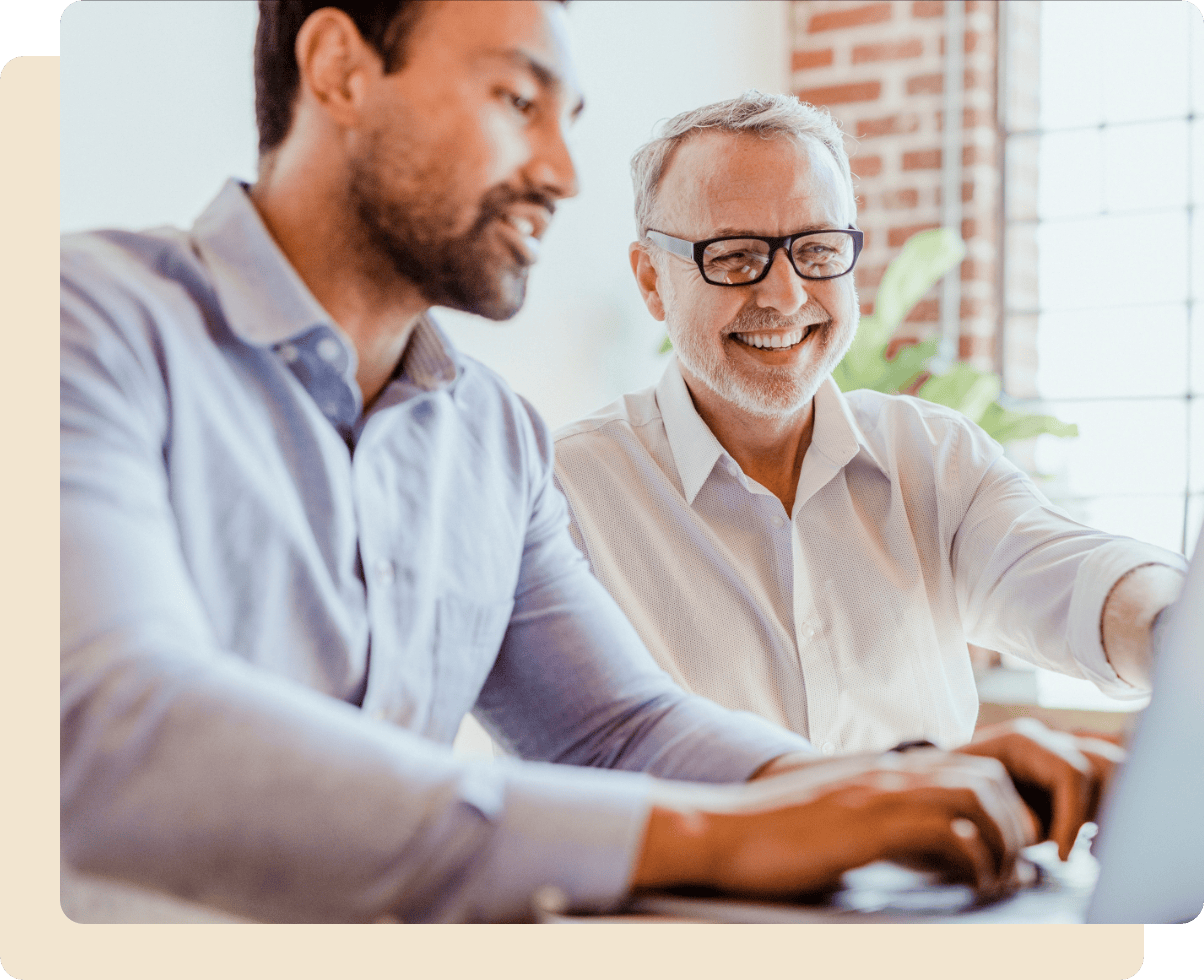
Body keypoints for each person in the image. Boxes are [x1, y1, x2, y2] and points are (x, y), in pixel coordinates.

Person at [61, 2, 1118, 924]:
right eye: (518, 101)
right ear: (339, 68)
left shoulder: (492, 439)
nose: (561, 172)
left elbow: (618, 730)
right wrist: (718, 834)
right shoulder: (87, 327)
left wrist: (904, 786)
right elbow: (116, 727)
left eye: (566, 119)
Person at [554, 92, 1186, 759]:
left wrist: (1175, 632)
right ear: (652, 280)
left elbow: (1071, 577)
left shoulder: (933, 456)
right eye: (736, 257)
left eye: (819, 251)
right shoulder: (566, 493)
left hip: (940, 867)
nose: (787, 296)